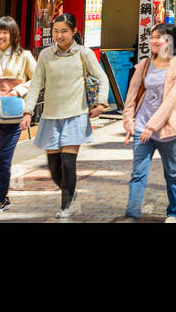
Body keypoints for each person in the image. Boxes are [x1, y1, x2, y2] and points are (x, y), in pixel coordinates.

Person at [19, 13, 110, 219]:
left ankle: (66, 204)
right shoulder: (45, 55)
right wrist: (28, 111)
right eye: (56, 31)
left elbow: (102, 78)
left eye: (64, 32)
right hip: (51, 115)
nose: (59, 36)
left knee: (68, 162)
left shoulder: (83, 53)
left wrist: (102, 103)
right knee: (53, 167)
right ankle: (70, 191)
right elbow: (36, 84)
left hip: (76, 114)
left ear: (74, 32)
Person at [123, 23, 176, 222]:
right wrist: (129, 122)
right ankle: (132, 214)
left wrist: (153, 126)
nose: (153, 41)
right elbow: (132, 95)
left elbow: (172, 99)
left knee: (173, 174)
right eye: (152, 37)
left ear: (169, 40)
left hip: (168, 129)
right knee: (138, 173)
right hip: (142, 127)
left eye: (158, 37)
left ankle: (173, 212)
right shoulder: (144, 65)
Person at [0, 17, 36, 220]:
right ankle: (2, 196)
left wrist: (18, 90)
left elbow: (37, 80)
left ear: (13, 35)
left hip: (12, 115)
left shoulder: (24, 56)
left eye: (5, 32)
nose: (1, 36)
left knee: (3, 158)